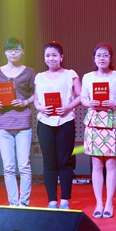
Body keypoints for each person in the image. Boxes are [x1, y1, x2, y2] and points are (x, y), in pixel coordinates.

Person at [81, 43, 116, 219]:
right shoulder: (87, 77)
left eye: (105, 55)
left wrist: (115, 103)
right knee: (96, 164)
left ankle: (109, 203)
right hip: (94, 122)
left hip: (111, 121)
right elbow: (83, 98)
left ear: (111, 58)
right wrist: (89, 103)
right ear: (94, 58)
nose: (101, 58)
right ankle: (98, 204)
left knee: (110, 164)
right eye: (98, 55)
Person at [33, 41, 81, 210]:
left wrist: (67, 107)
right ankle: (52, 201)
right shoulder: (39, 77)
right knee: (49, 162)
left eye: (54, 55)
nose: (51, 58)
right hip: (45, 122)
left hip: (65, 121)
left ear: (61, 56)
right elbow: (36, 99)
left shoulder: (70, 74)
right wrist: (40, 108)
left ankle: (65, 200)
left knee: (65, 162)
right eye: (47, 55)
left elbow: (80, 96)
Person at [0, 37, 35, 207]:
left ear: (23, 51)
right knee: (8, 167)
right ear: (5, 52)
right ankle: (13, 202)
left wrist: (25, 102)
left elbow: (36, 93)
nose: (13, 52)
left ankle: (24, 203)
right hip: (3, 123)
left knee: (24, 165)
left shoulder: (29, 72)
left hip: (23, 123)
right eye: (10, 49)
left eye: (17, 49)